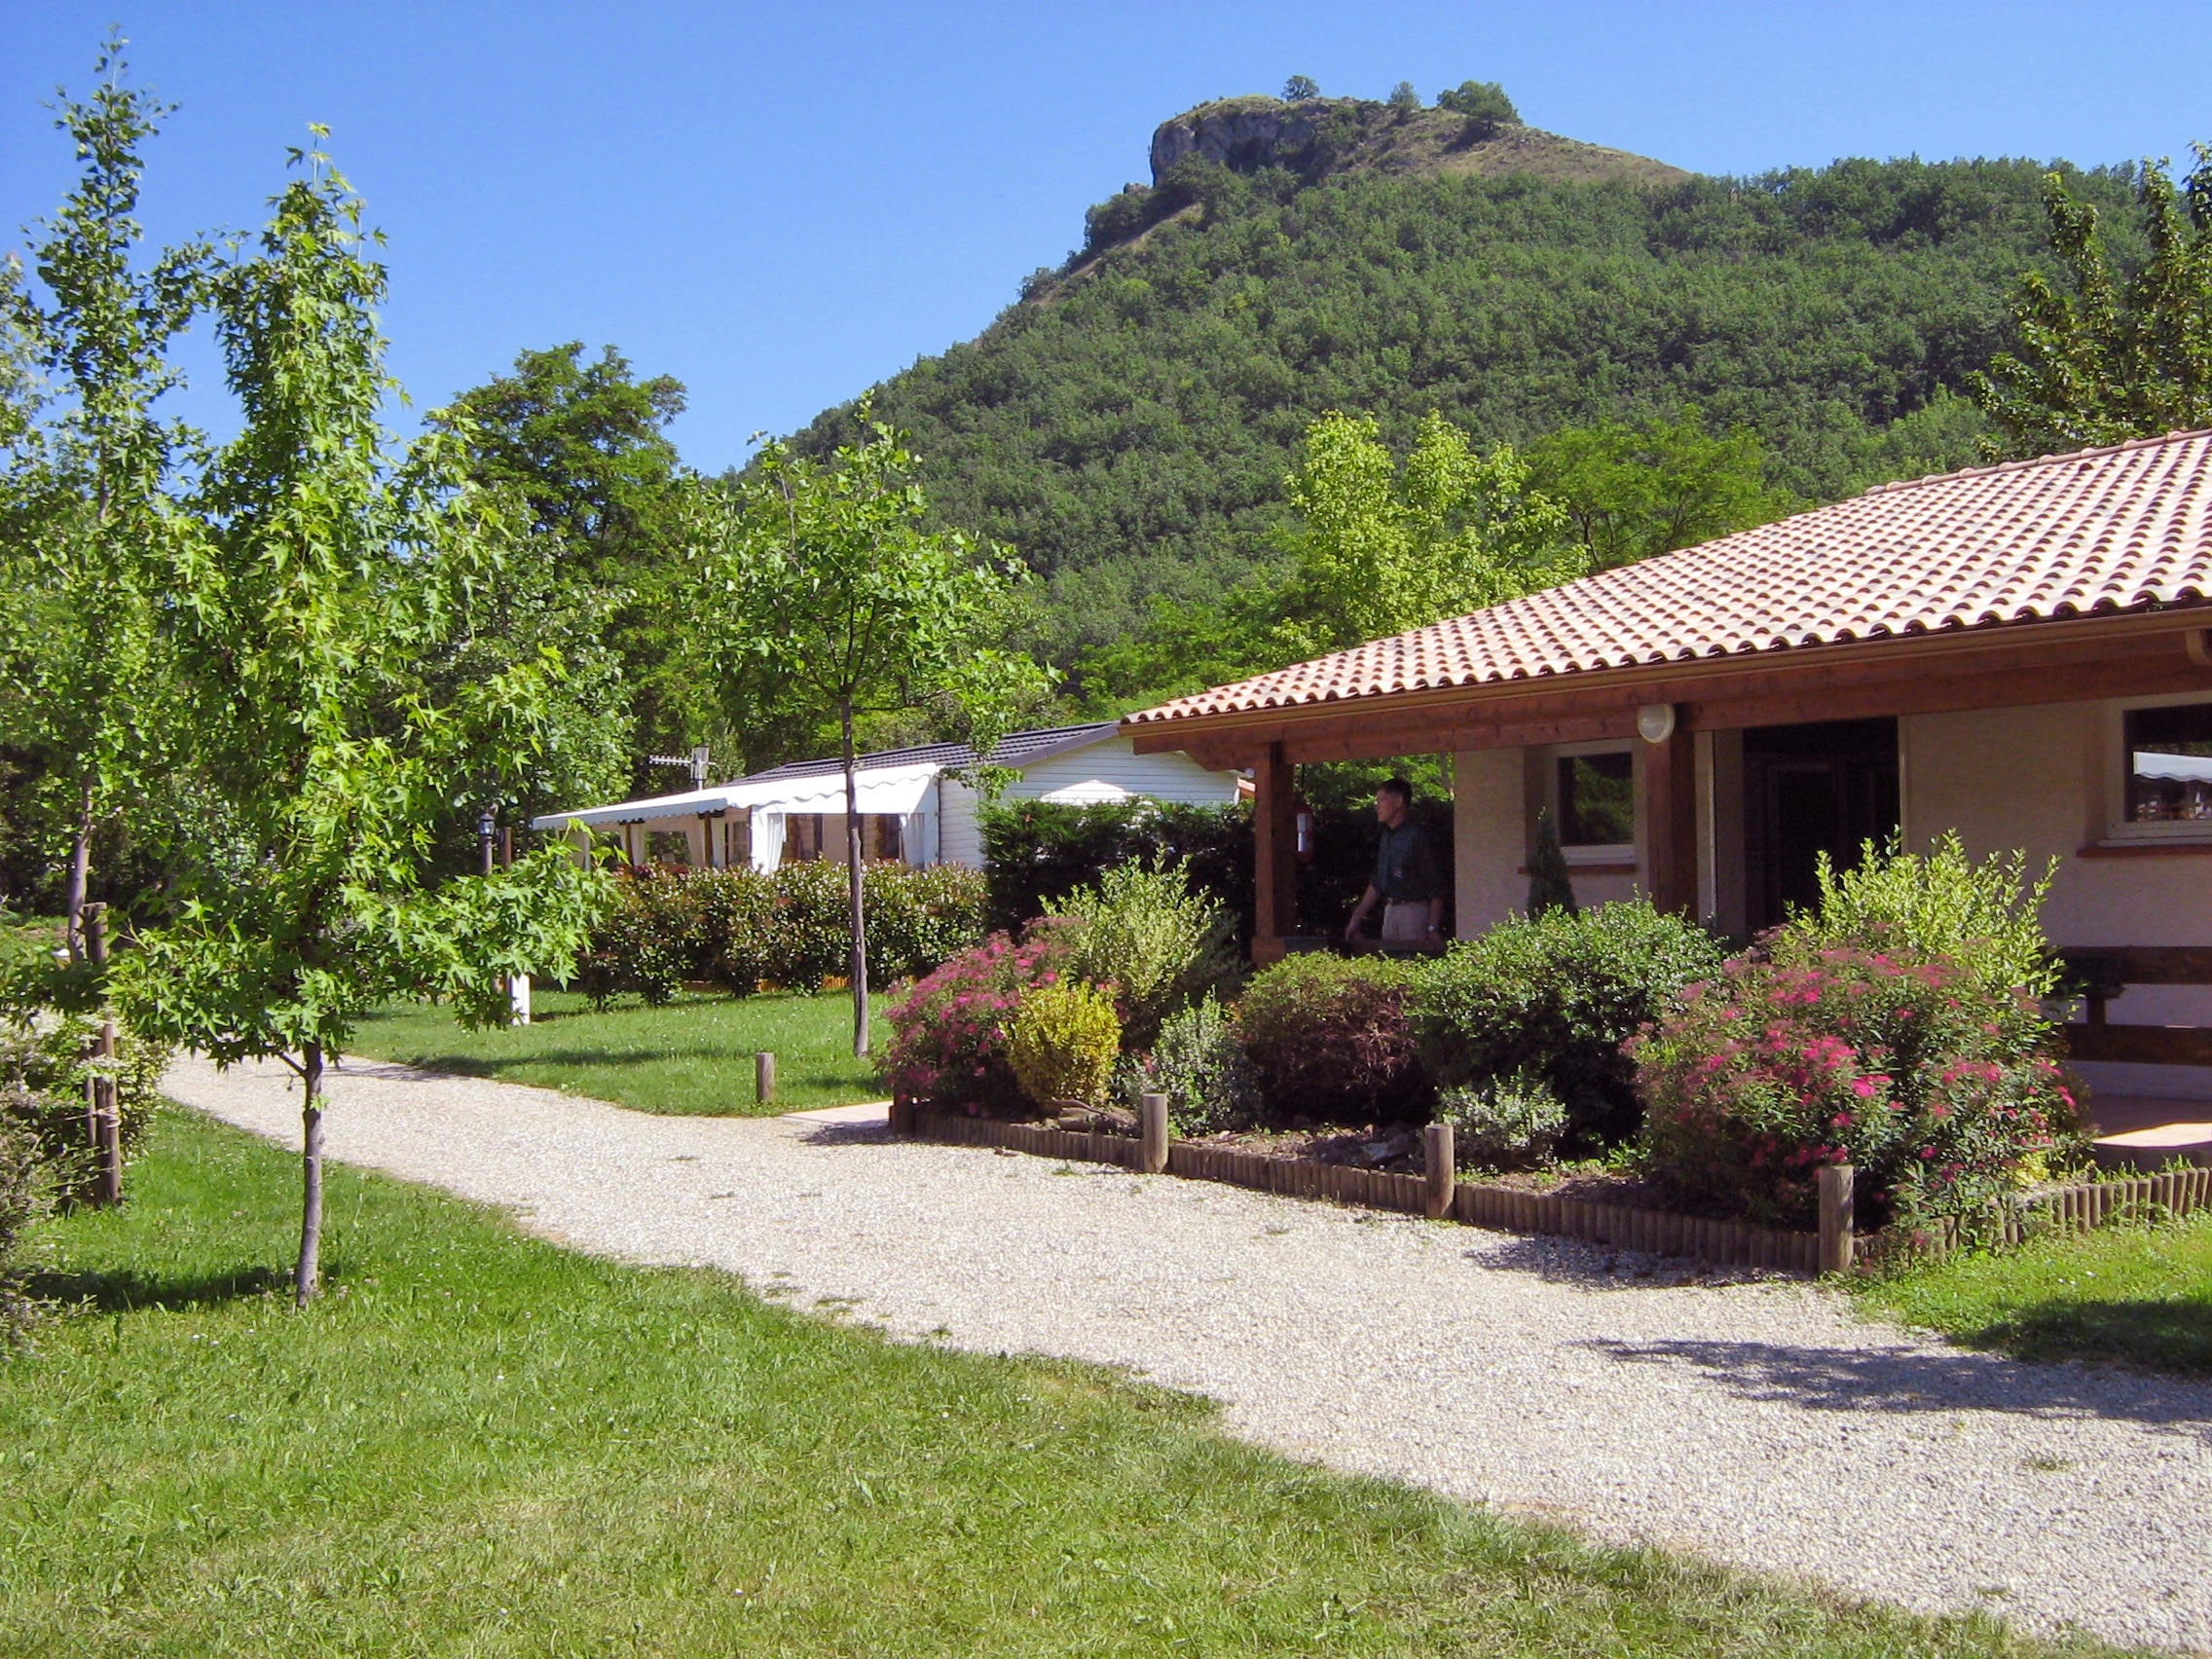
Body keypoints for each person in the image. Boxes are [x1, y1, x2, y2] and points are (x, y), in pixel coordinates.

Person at [1344, 778, 1444, 946]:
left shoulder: (1416, 837)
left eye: (1381, 800)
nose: (1377, 806)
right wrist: (1356, 917)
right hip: (1389, 910)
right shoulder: (1386, 837)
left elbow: (1436, 887)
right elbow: (1377, 882)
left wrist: (1432, 929)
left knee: (1411, 964)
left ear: (1398, 801)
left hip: (1413, 911)